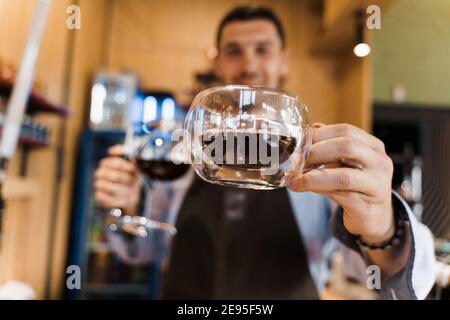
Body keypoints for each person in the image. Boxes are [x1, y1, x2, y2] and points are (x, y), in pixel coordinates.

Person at [94, 6, 435, 299]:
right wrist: (128, 208)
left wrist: (383, 227)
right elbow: (149, 250)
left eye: (262, 49)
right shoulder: (186, 152)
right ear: (217, 65)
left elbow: (380, 278)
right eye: (234, 51)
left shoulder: (315, 156)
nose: (248, 65)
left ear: (284, 61)